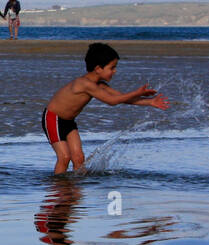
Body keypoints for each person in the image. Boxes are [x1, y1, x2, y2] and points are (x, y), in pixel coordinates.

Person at [41, 42, 169, 174]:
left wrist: (150, 102)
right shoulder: (84, 84)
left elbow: (121, 97)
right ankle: (57, 190)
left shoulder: (99, 85)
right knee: (64, 157)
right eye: (112, 68)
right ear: (98, 69)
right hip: (53, 118)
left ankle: (75, 191)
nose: (115, 71)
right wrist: (137, 92)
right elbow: (112, 101)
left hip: (68, 122)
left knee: (79, 158)